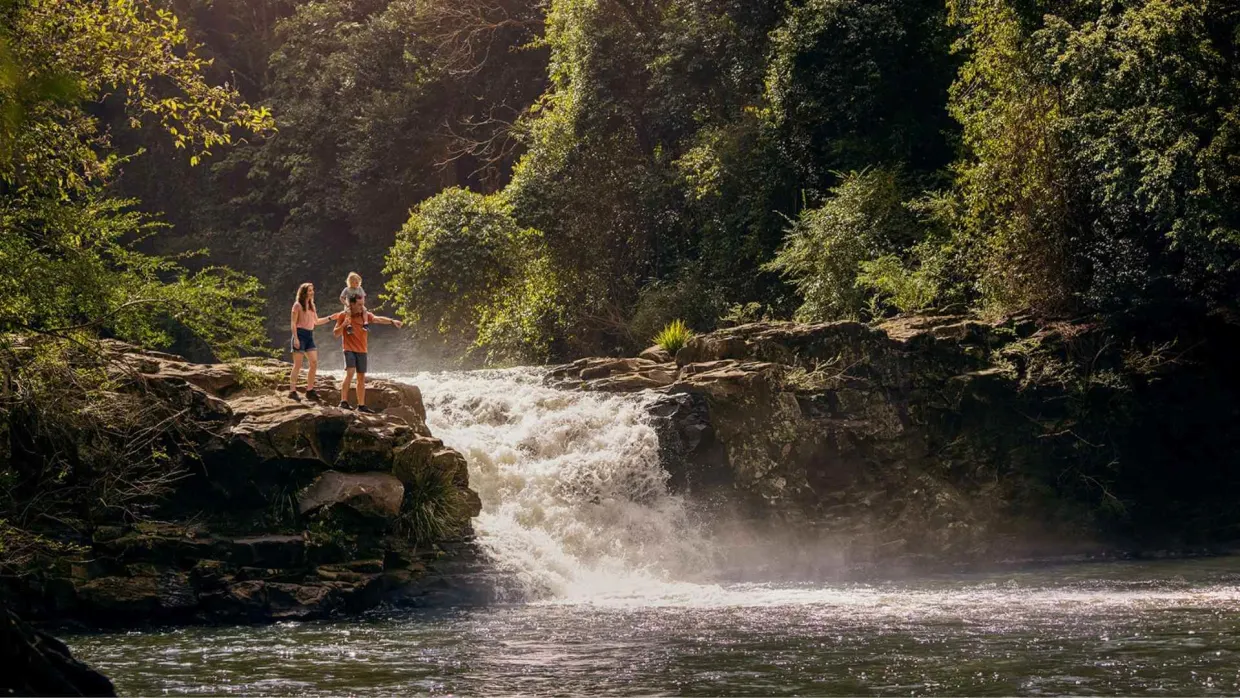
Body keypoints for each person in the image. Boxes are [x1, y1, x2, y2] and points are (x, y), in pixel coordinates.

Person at [331, 295, 402, 412]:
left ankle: (361, 405)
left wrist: (392, 321)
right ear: (352, 304)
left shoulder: (365, 316)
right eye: (359, 304)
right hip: (349, 349)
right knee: (350, 372)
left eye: (363, 304)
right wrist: (344, 324)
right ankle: (343, 402)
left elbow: (378, 319)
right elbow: (336, 334)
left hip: (362, 350)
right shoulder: (343, 315)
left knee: (361, 377)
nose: (362, 306)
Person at [289, 283, 334, 400]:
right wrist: (296, 338)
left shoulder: (311, 306)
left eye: (312, 290)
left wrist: (331, 318)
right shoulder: (297, 305)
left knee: (314, 363)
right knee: (297, 365)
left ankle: (309, 390)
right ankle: (292, 391)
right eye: (310, 290)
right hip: (299, 334)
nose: (312, 292)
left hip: (309, 336)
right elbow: (293, 323)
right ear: (304, 292)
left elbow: (317, 322)